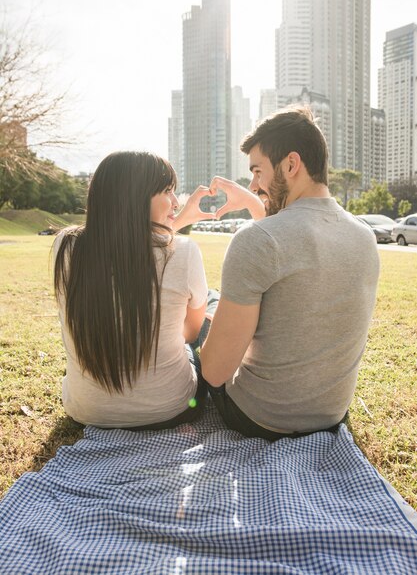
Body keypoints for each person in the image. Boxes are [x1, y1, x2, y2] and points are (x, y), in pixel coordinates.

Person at [201, 106, 380, 440]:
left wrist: (208, 329)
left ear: (291, 164)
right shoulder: (365, 237)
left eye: (257, 172)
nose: (254, 185)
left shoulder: (255, 242)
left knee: (203, 319)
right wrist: (258, 206)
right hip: (330, 416)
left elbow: (214, 372)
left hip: (260, 419)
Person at [54, 151, 214, 430]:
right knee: (211, 304)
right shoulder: (185, 252)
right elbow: (189, 333)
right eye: (167, 191)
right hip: (171, 408)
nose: (176, 202)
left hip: (85, 410)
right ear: (134, 196)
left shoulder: (65, 246)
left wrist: (175, 222)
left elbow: (129, 243)